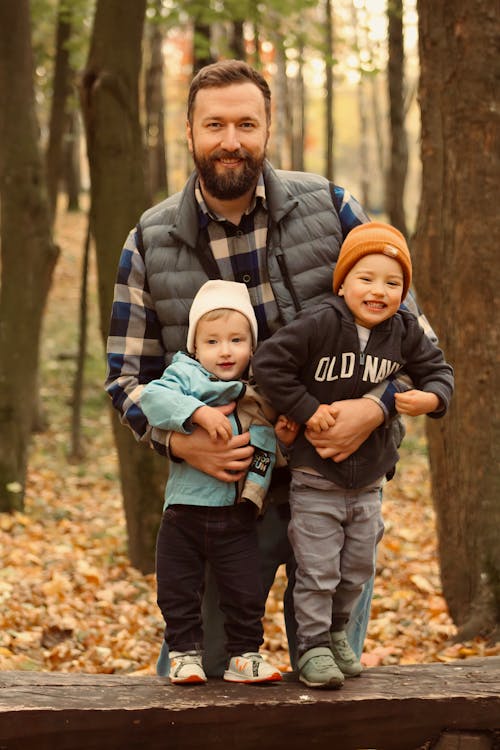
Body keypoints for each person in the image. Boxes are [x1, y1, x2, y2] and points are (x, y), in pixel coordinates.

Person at [105, 59, 436, 677]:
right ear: (189, 132)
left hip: (342, 483)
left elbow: (418, 342)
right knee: (204, 680)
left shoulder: (333, 210)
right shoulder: (150, 241)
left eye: (246, 123)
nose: (231, 140)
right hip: (221, 501)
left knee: (331, 677)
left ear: (268, 129)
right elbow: (126, 379)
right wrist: (179, 442)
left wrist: (375, 408)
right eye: (215, 125)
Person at [252, 222, 454, 688]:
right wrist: (307, 409)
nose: (378, 291)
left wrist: (433, 399)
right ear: (342, 282)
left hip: (370, 482)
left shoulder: (403, 330)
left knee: (357, 569)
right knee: (318, 568)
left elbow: (438, 370)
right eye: (366, 278)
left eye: (392, 282)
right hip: (315, 478)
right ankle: (312, 646)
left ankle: (338, 632)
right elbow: (268, 365)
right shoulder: (320, 322)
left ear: (404, 293)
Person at [140, 279, 283, 684]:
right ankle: (185, 653)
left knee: (245, 590)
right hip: (184, 514)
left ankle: (245, 654)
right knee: (178, 589)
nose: (225, 351)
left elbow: (266, 444)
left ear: (251, 347)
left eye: (236, 340)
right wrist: (199, 415)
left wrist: (279, 441)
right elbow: (152, 399)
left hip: (236, 516)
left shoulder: (254, 391)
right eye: (213, 341)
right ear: (195, 348)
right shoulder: (183, 376)